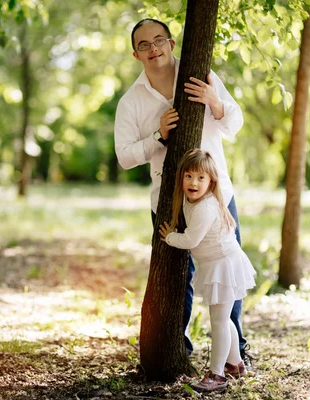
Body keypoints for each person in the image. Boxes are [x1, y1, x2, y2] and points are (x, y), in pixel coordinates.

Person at [114, 18, 255, 371]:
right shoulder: (131, 101)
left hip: (217, 196)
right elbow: (124, 156)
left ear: (172, 43)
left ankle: (235, 354)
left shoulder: (199, 74)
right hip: (169, 200)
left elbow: (235, 122)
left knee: (225, 269)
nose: (153, 48)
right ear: (136, 54)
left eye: (158, 40)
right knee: (179, 279)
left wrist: (215, 102)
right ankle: (179, 349)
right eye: (144, 45)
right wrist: (158, 136)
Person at [159, 149, 256, 392]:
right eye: (189, 176)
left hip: (223, 265)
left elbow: (190, 240)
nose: (194, 182)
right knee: (224, 319)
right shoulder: (191, 199)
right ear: (181, 178)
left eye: (201, 178)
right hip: (218, 264)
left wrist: (170, 237)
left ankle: (217, 375)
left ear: (211, 181)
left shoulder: (205, 207)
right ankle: (235, 365)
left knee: (220, 321)